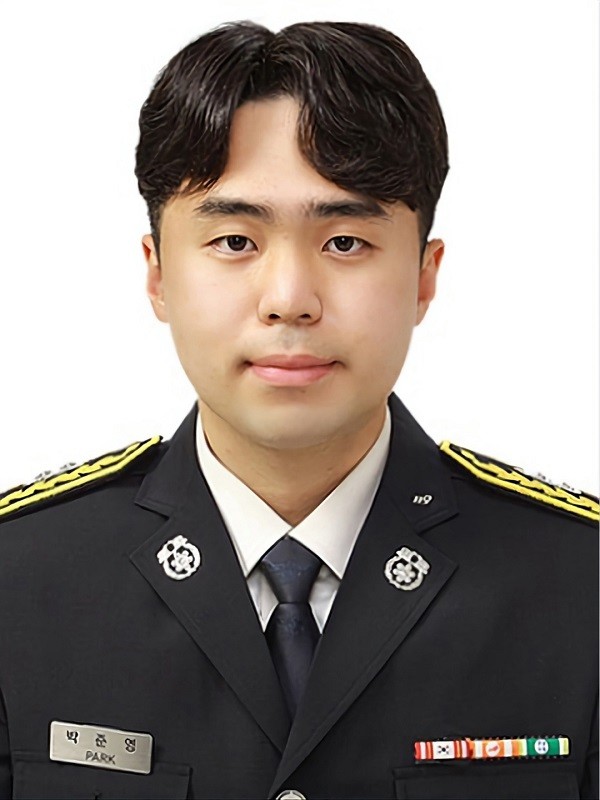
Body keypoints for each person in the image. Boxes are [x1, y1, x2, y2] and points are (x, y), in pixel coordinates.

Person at [0, 19, 597, 800]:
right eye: (235, 241)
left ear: (424, 277)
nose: (289, 299)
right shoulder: (19, 579)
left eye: (345, 242)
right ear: (158, 274)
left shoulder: (578, 584)